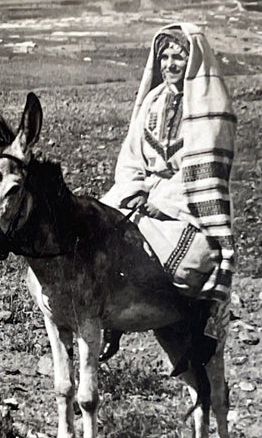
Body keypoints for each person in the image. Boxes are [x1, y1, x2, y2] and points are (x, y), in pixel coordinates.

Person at [101, 23, 236, 359]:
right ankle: (110, 323)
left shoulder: (209, 110)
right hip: (144, 193)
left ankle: (195, 327)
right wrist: (134, 191)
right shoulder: (152, 101)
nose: (170, 64)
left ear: (193, 63)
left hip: (191, 205)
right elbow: (132, 156)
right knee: (97, 230)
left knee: (179, 268)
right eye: (165, 56)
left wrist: (162, 204)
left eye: (179, 57)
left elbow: (204, 171)